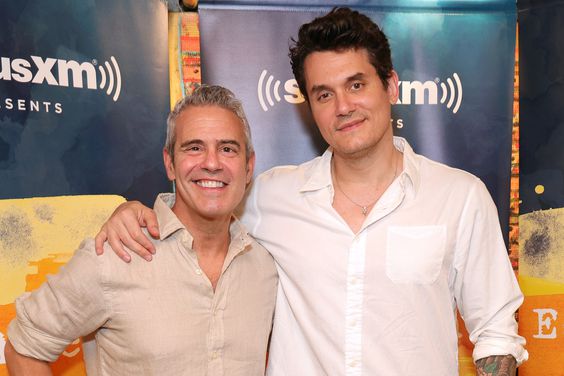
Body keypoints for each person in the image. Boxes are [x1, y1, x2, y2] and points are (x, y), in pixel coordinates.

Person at [94, 7, 528, 375]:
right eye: (324, 94)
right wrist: (136, 211)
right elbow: (202, 203)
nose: (343, 107)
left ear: (390, 85)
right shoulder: (270, 196)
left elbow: (495, 331)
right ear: (309, 106)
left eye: (356, 85)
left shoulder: (459, 197)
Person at [4, 85, 278, 375]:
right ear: (169, 163)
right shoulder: (115, 255)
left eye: (227, 149)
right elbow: (24, 347)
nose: (211, 163)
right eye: (194, 148)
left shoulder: (265, 267)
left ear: (249, 167)